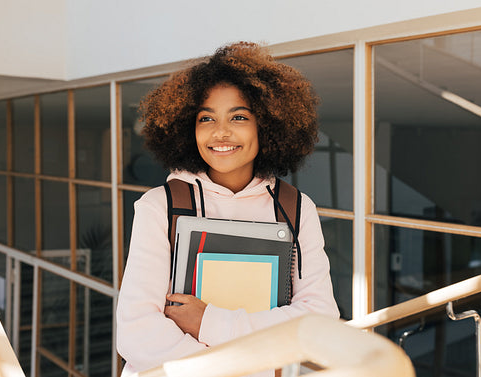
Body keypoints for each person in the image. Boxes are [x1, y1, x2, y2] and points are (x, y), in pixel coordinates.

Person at [116, 41, 339, 376]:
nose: (220, 132)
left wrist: (208, 322)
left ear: (265, 125)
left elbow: (319, 319)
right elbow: (137, 334)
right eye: (206, 118)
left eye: (238, 116)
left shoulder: (294, 208)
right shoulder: (160, 206)